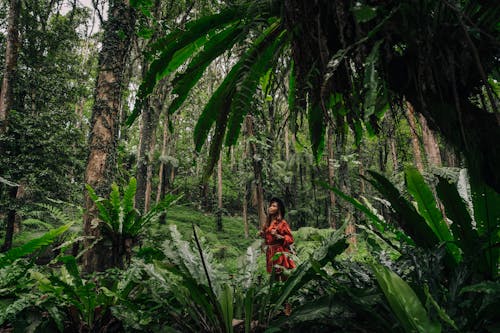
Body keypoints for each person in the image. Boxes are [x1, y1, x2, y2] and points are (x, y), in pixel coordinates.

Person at [259, 197, 296, 281]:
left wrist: (281, 237)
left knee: (284, 275)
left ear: (278, 209)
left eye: (274, 206)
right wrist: (263, 234)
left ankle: (286, 293)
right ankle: (276, 293)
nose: (270, 208)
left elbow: (290, 238)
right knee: (274, 276)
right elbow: (268, 238)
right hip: (270, 251)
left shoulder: (282, 223)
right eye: (270, 206)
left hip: (280, 252)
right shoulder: (268, 223)